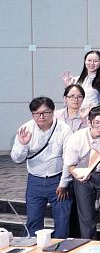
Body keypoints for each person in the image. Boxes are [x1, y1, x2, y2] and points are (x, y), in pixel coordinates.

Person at [11, 97, 74, 239]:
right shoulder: (26, 129)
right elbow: (17, 159)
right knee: (33, 220)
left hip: (58, 179)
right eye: (36, 113)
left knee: (63, 220)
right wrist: (22, 144)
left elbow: (69, 159)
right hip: (35, 180)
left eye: (46, 112)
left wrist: (64, 183)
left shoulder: (64, 129)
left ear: (53, 112)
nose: (41, 116)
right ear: (32, 114)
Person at [64, 106, 100, 239]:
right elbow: (70, 165)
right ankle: (89, 250)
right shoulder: (77, 137)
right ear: (89, 122)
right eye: (97, 123)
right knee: (87, 217)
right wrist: (78, 175)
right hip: (83, 177)